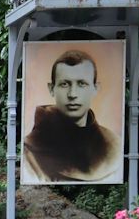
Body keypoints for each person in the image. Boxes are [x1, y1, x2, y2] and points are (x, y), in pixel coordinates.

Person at [22, 48, 122, 183]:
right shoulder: (30, 154)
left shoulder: (114, 145)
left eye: (82, 84)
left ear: (95, 89)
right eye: (64, 84)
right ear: (52, 89)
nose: (72, 94)